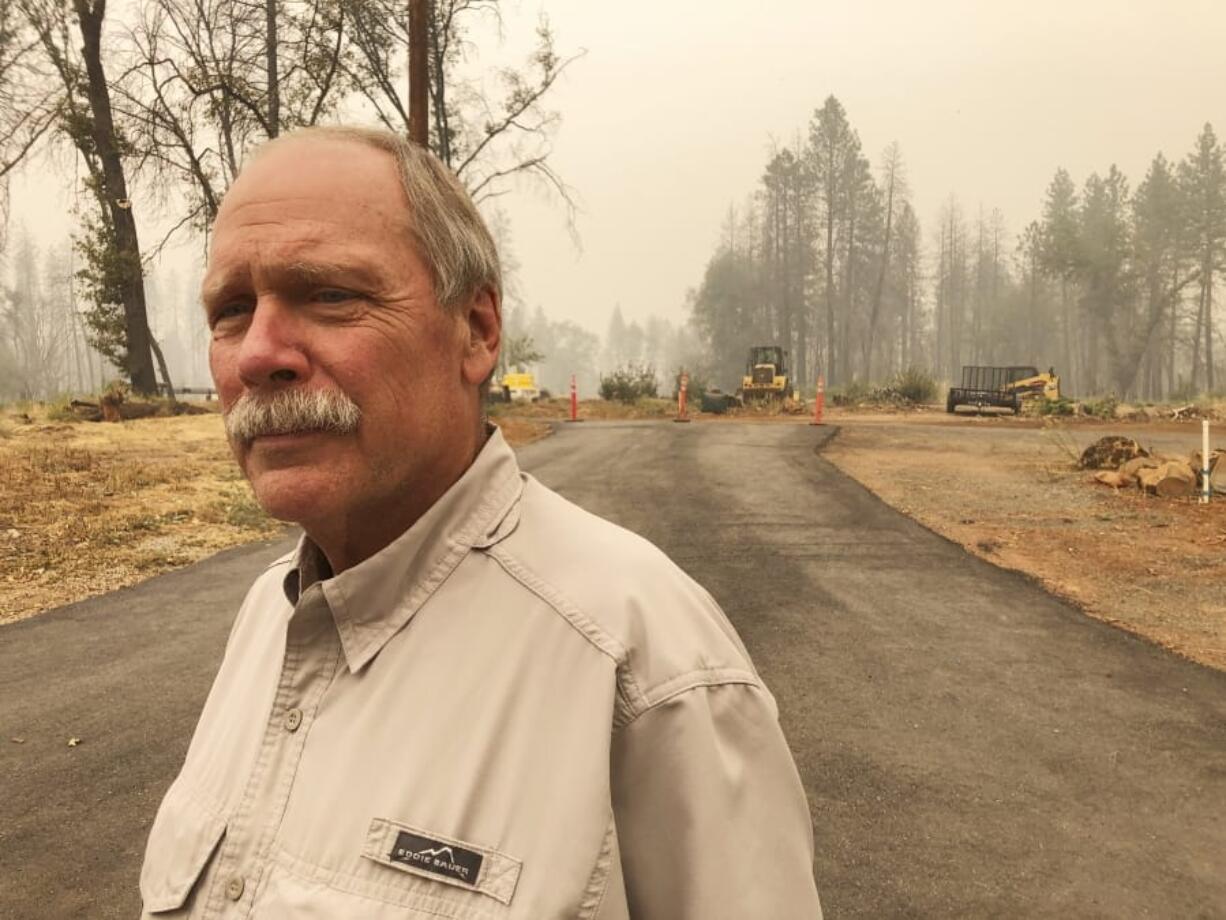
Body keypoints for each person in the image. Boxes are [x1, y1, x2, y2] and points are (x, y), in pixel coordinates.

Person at [138, 126, 822, 919]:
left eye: (329, 294)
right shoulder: (268, 617)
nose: (259, 353)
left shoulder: (645, 663)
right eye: (231, 310)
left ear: (477, 330)